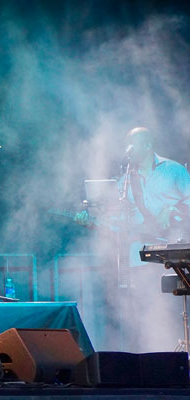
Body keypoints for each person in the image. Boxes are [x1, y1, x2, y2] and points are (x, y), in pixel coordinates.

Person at [76, 126, 190, 352]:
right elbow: (118, 222)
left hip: (173, 252)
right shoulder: (125, 181)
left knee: (171, 309)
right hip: (138, 256)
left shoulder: (173, 170)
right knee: (140, 311)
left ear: (148, 145)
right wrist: (94, 222)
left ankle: (174, 357)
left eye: (132, 145)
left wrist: (173, 209)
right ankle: (148, 355)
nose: (128, 150)